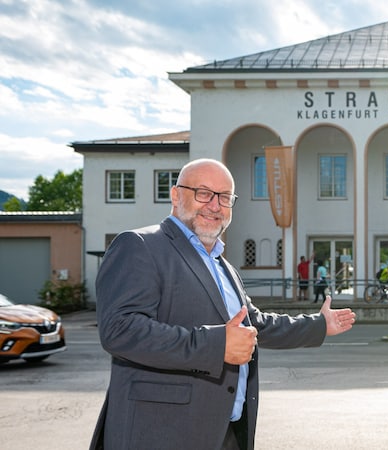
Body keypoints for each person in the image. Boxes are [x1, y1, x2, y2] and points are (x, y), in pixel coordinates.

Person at [90, 159, 356, 450]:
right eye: (203, 193)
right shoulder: (140, 245)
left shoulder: (223, 266)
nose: (215, 205)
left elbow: (253, 325)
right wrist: (216, 345)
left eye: (225, 197)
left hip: (225, 431)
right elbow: (121, 330)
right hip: (161, 433)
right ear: (176, 195)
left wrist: (318, 325)